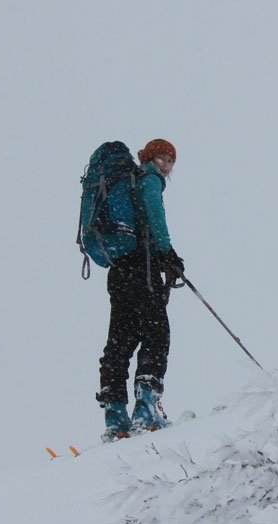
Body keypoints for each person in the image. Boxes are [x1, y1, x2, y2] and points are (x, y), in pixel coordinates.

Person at [96, 138, 185, 440]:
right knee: (156, 333)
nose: (166, 165)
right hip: (142, 269)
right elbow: (154, 216)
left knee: (120, 339)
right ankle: (146, 409)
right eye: (162, 158)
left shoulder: (125, 183)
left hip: (119, 271)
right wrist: (168, 253)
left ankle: (115, 415)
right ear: (149, 158)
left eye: (170, 160)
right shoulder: (148, 180)